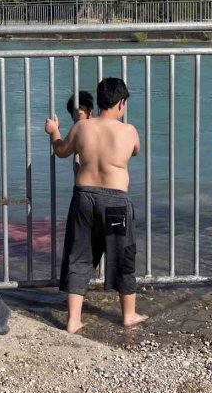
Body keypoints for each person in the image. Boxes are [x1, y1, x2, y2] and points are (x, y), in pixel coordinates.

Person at [45, 77, 148, 334]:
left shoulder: (82, 128)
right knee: (122, 255)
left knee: (78, 255)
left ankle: (73, 320)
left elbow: (61, 150)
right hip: (115, 200)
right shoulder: (129, 131)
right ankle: (128, 314)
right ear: (121, 103)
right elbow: (135, 150)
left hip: (84, 197)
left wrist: (54, 132)